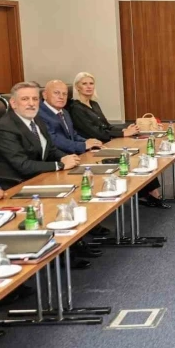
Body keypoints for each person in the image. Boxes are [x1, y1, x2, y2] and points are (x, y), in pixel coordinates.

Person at [0, 82, 91, 269]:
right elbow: (22, 165)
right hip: (17, 184)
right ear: (13, 103)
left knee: (75, 185)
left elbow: (50, 149)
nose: (31, 103)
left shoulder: (36, 120)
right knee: (60, 197)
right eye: (25, 99)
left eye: (34, 99)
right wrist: (59, 165)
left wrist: (65, 157)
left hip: (37, 176)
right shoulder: (6, 127)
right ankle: (60, 253)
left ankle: (73, 244)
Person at [68, 72, 169, 209]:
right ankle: (149, 193)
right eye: (84, 84)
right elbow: (95, 132)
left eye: (91, 83)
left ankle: (149, 192)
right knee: (131, 158)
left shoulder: (94, 104)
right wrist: (122, 133)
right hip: (93, 148)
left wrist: (126, 129)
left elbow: (107, 126)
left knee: (139, 154)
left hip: (106, 143)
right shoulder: (75, 108)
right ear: (77, 87)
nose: (88, 86)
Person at [39, 80, 110, 241]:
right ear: (45, 95)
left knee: (94, 177)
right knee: (83, 182)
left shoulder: (64, 112)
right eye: (56, 93)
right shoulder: (41, 114)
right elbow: (54, 140)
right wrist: (82, 146)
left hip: (71, 156)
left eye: (64, 94)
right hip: (56, 158)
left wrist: (88, 142)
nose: (61, 97)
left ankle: (89, 221)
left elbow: (72, 135)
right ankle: (79, 232)